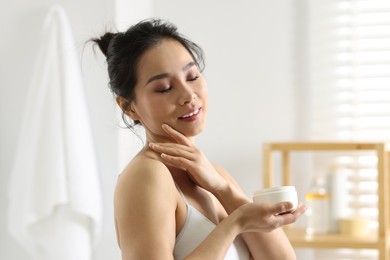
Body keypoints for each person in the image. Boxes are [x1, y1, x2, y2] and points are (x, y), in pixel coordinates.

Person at [91, 18, 306, 260]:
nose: (188, 95)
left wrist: (223, 189)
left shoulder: (217, 175)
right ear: (129, 107)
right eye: (163, 88)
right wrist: (234, 223)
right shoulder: (147, 176)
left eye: (192, 76)